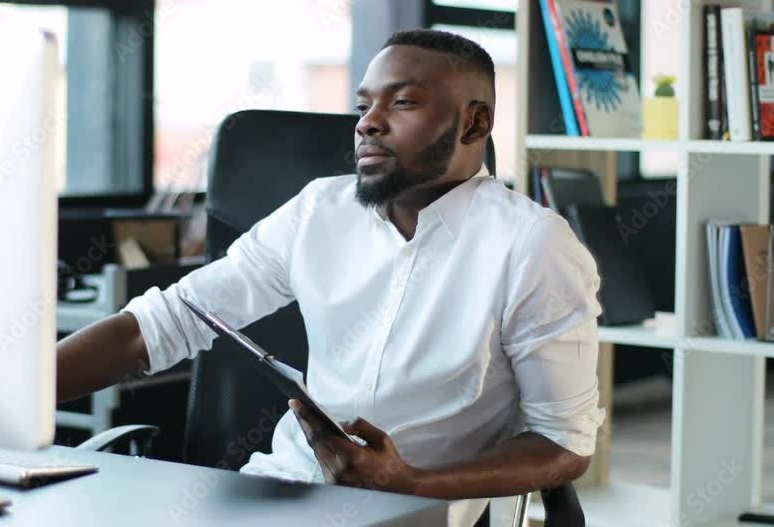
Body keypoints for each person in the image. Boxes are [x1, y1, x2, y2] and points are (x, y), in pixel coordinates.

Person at [56, 28, 604, 526]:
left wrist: (410, 482)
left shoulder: (533, 246)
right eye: (364, 105)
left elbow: (564, 445)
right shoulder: (319, 209)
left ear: (474, 121)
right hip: (278, 494)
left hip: (417, 512)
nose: (368, 122)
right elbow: (167, 321)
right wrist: (25, 393)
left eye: (403, 102)